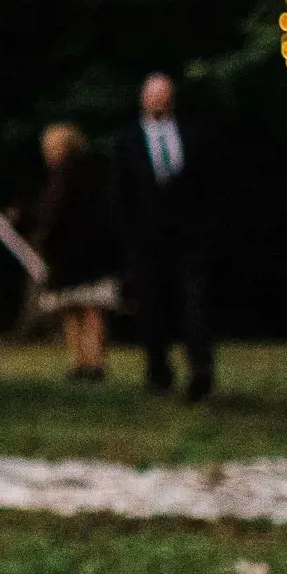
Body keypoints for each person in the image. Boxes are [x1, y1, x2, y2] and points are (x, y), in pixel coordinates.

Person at [114, 71, 216, 402]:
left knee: (194, 304)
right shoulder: (127, 140)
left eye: (164, 94)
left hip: (188, 237)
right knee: (151, 306)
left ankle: (200, 367)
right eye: (152, 94)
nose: (158, 100)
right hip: (145, 239)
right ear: (143, 99)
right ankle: (159, 370)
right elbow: (120, 193)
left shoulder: (192, 135)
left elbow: (205, 185)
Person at [29, 123, 121, 382]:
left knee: (84, 308)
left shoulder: (69, 175)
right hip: (80, 253)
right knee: (78, 308)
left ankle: (88, 361)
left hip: (78, 254)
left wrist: (43, 238)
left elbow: (54, 214)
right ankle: (85, 361)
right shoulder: (87, 173)